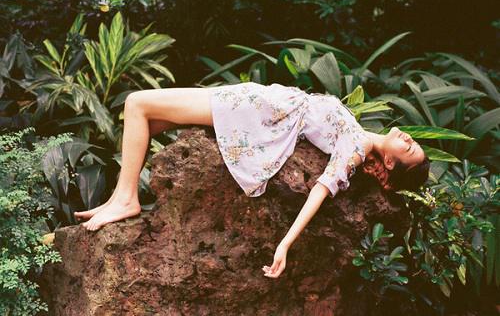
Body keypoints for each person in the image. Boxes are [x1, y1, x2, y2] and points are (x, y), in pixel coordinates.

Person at [74, 82, 430, 278]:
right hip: (260, 102)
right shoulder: (359, 135)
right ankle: (120, 196)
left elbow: (321, 190)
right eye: (414, 142)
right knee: (149, 118)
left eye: (409, 149)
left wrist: (285, 244)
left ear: (388, 162)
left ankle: (125, 198)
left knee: (138, 103)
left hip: (252, 110)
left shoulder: (354, 149)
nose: (409, 139)